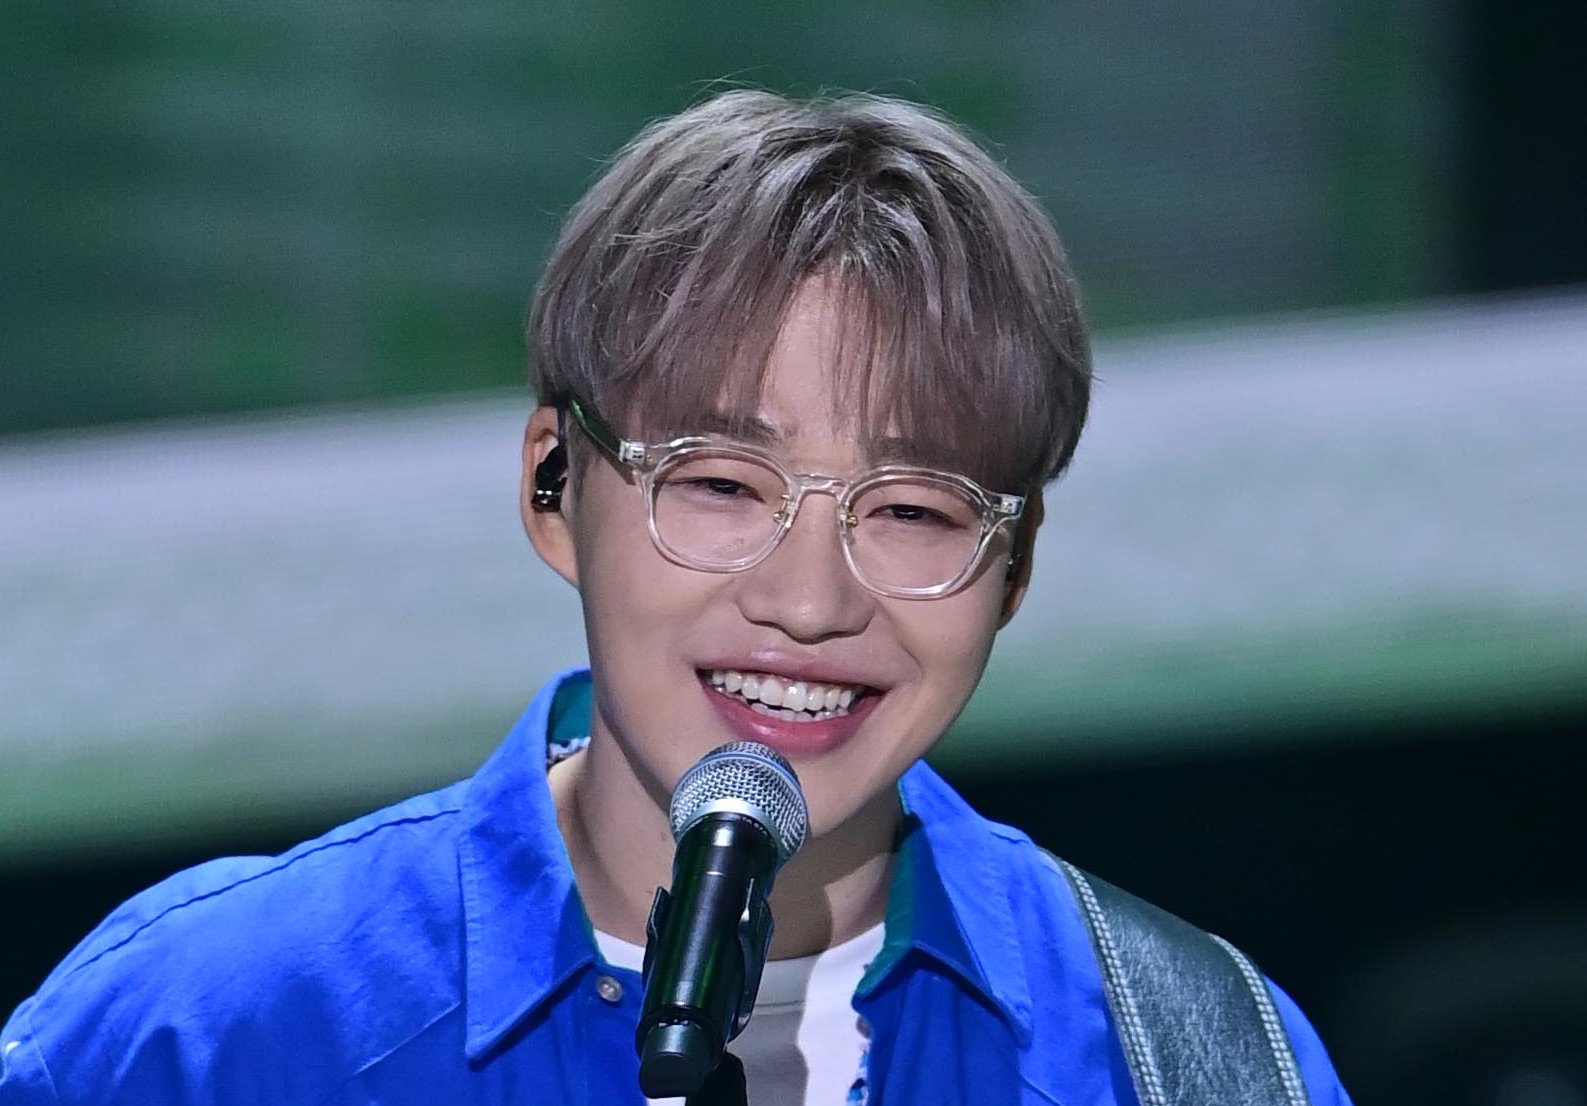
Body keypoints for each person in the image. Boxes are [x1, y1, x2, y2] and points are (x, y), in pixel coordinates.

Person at [0, 90, 1351, 1105]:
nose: (809, 601)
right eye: (718, 484)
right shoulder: (204, 1032)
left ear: (1017, 565)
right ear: (553, 486)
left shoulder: (1187, 1059)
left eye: (914, 510)